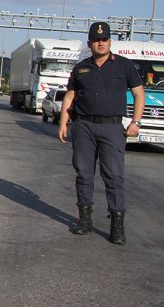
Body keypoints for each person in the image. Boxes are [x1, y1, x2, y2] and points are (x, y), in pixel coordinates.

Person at [58, 21, 145, 244]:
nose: (101, 43)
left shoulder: (124, 66)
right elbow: (70, 96)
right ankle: (84, 221)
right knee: (84, 174)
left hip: (112, 128)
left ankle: (117, 227)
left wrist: (136, 122)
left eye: (104, 39)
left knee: (114, 176)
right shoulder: (81, 68)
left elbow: (139, 94)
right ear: (90, 43)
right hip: (84, 127)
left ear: (110, 41)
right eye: (96, 40)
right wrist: (63, 123)